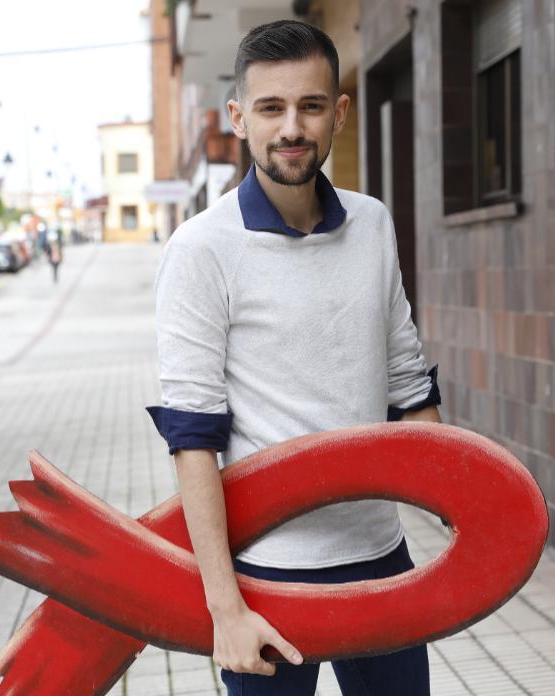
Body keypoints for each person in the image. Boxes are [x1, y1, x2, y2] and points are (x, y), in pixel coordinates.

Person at [146, 20, 439, 696]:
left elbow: (407, 383)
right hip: (265, 574)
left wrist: (461, 510)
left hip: (380, 558)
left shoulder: (372, 223)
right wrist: (224, 609)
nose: (291, 128)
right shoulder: (201, 250)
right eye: (271, 108)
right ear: (239, 118)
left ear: (338, 113)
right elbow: (193, 438)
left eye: (309, 106)